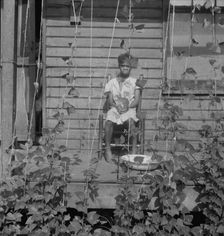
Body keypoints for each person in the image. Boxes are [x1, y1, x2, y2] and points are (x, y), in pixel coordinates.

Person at [104, 52, 141, 162]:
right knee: (109, 121)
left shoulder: (135, 82)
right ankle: (107, 149)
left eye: (127, 66)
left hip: (129, 108)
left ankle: (133, 151)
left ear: (130, 68)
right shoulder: (112, 82)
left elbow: (136, 100)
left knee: (131, 122)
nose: (125, 68)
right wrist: (116, 106)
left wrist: (127, 106)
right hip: (115, 108)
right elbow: (110, 100)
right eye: (123, 66)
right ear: (119, 67)